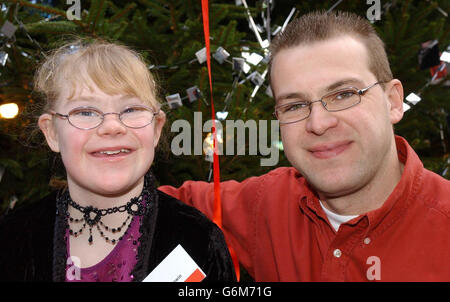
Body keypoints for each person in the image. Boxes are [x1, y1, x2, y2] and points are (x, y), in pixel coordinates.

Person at [160, 11, 450, 281]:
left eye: (344, 94)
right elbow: (139, 206)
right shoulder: (267, 204)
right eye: (295, 105)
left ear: (393, 102)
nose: (319, 123)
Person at [0, 39, 236, 282]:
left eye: (131, 110)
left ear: (156, 129)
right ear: (51, 133)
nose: (112, 126)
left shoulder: (196, 241)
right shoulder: (14, 238)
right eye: (85, 112)